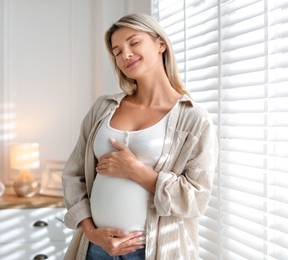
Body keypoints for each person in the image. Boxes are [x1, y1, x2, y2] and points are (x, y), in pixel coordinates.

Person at [62, 13, 218, 260]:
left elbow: (196, 200)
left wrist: (136, 170)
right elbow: (73, 175)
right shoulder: (103, 108)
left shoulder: (194, 118)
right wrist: (91, 233)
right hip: (96, 247)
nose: (125, 54)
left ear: (160, 44)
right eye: (117, 51)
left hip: (154, 250)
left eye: (134, 43)